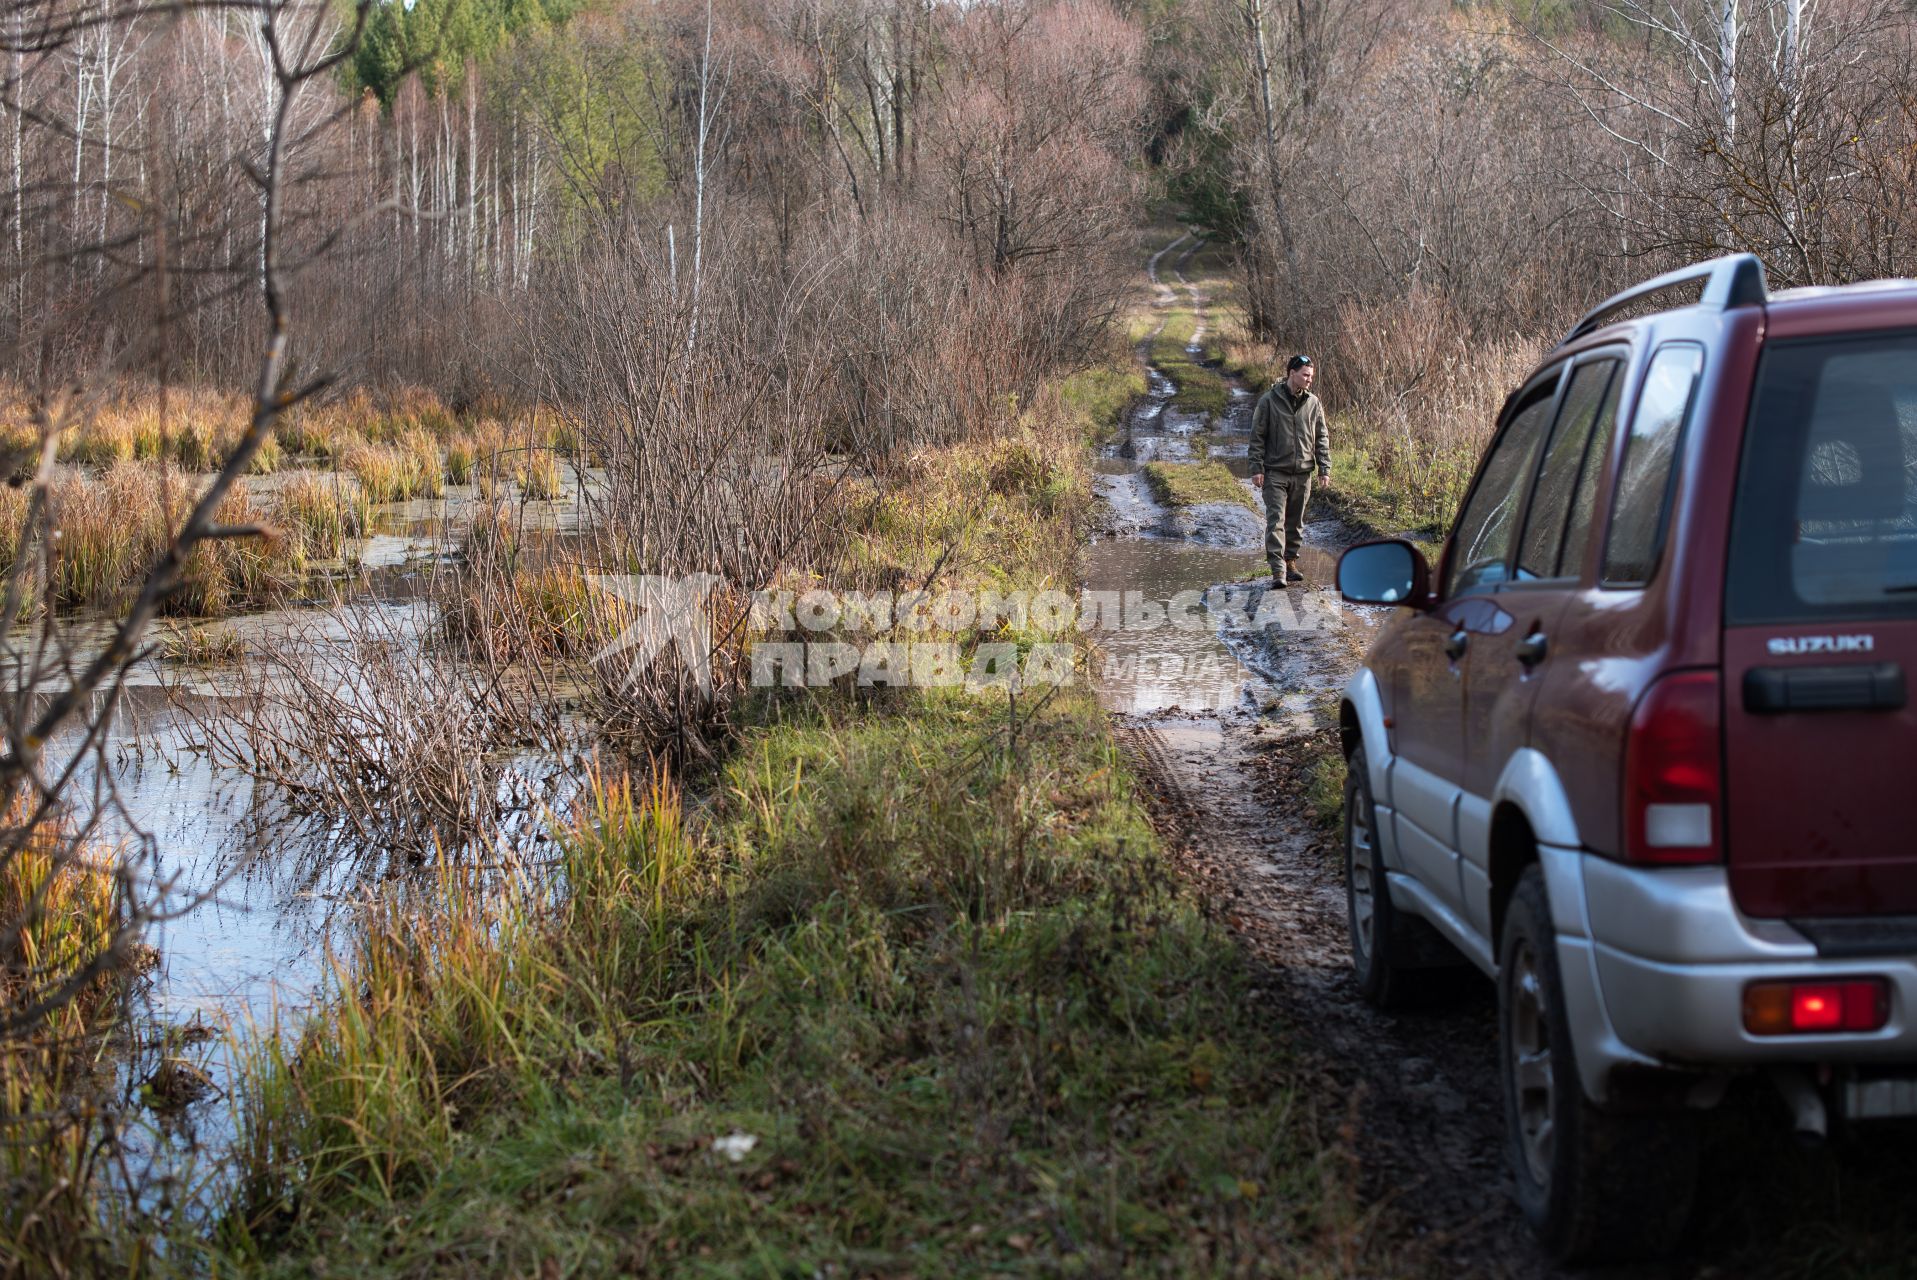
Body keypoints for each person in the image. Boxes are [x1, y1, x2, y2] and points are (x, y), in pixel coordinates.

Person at [1249, 353, 1331, 588]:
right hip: (1275, 472)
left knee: (1295, 522)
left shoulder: (1313, 403)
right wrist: (1257, 468)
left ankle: (1291, 561)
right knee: (1276, 520)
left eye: (1311, 376)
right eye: (1305, 375)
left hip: (1303, 473)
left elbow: (1322, 437)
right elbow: (1257, 436)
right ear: (1291, 373)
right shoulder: (1269, 400)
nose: (1309, 380)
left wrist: (1324, 468)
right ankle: (1278, 570)